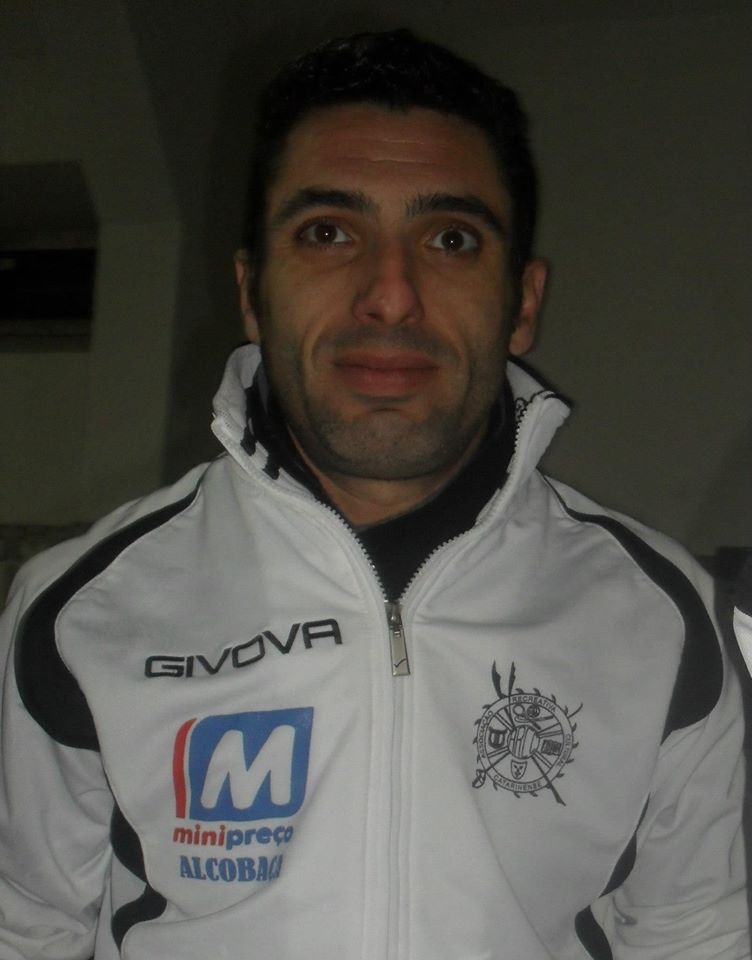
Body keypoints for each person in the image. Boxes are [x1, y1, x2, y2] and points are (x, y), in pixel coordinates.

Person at [0, 28, 748, 960]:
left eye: (450, 239)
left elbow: (695, 936)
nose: (390, 295)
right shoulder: (79, 609)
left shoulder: (665, 615)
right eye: (328, 233)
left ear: (522, 302)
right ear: (251, 292)